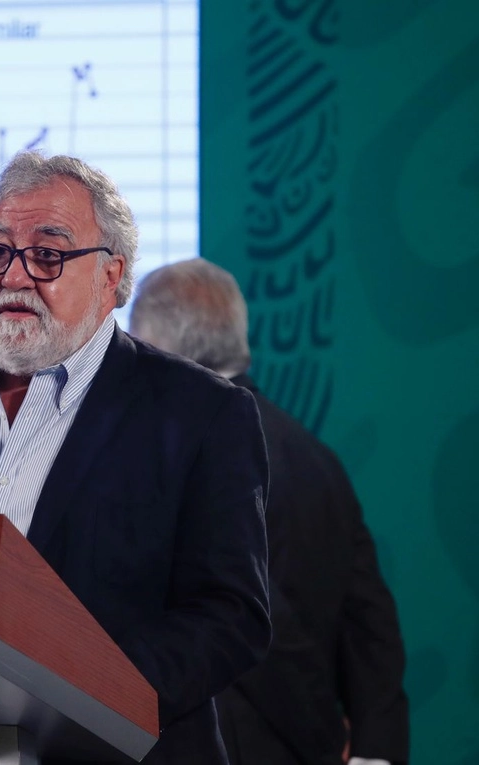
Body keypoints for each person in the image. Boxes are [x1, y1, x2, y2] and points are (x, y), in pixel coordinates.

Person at [0, 151, 271, 765]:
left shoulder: (200, 412)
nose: (15, 277)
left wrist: (78, 691)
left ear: (111, 277)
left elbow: (231, 615)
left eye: (47, 254)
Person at [129, 258, 409, 765]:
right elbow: (370, 619)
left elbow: (252, 618)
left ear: (160, 346)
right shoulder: (318, 458)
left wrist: (325, 735)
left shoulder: (181, 457)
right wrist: (371, 750)